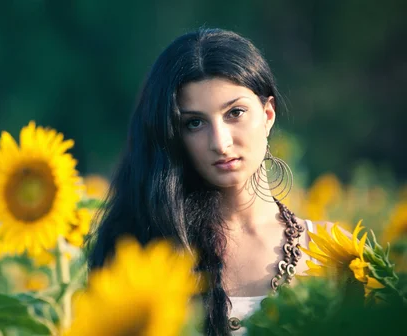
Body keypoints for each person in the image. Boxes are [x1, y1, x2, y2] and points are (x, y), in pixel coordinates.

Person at [87, 28, 329, 335]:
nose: (220, 142)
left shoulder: (334, 255)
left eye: (235, 113)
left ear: (268, 114)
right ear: (173, 136)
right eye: (194, 123)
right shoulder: (147, 254)